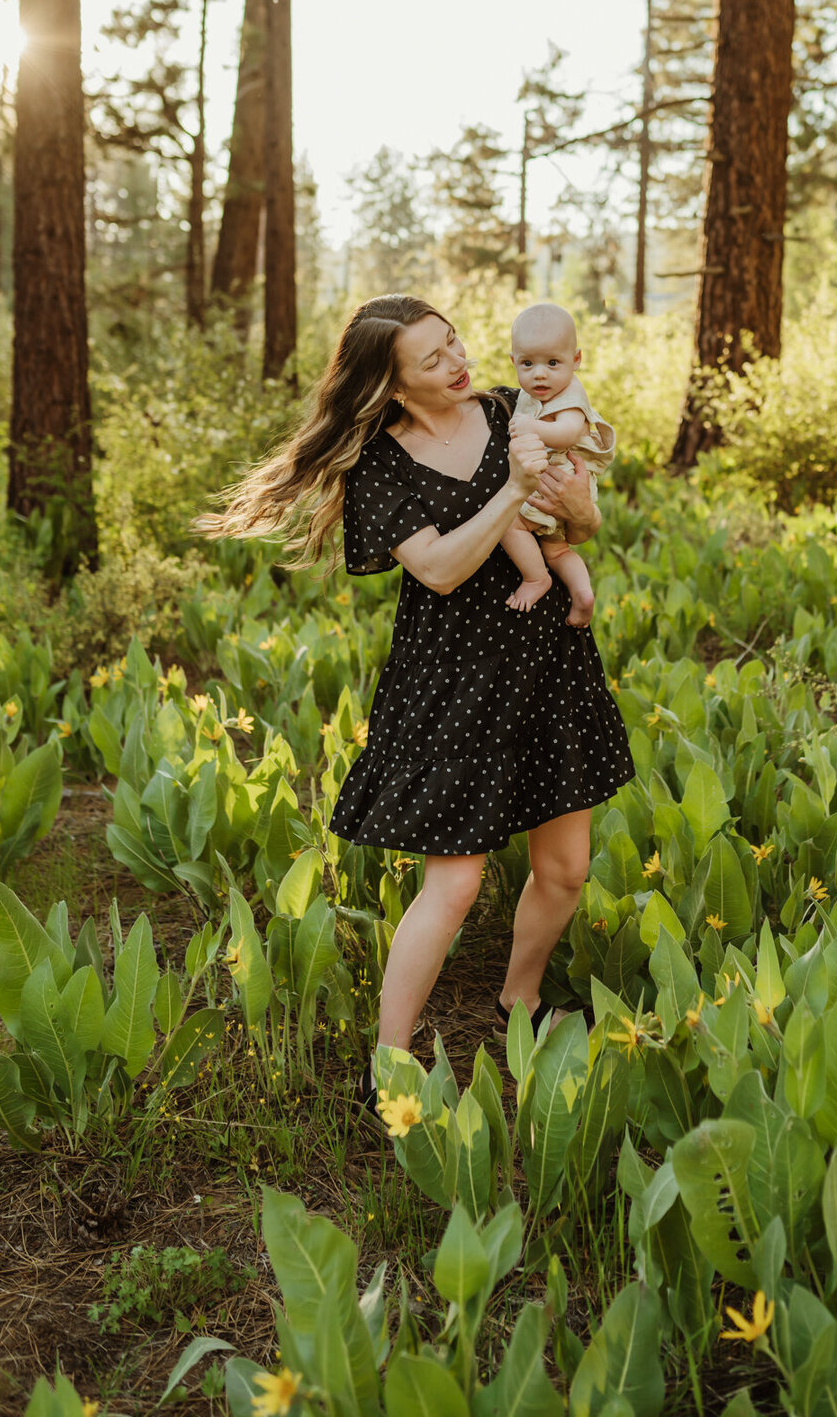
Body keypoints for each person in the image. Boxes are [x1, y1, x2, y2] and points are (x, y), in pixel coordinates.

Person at [195, 294, 634, 1123]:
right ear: (393, 387)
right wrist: (510, 492)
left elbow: (584, 517)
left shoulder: (515, 408)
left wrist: (570, 508)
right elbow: (436, 568)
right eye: (433, 360)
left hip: (546, 658)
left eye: (455, 341)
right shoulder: (383, 464)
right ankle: (387, 1063)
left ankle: (520, 1000)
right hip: (455, 674)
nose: (460, 363)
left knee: (565, 867)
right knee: (456, 883)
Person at [498, 302, 615, 628]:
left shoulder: (571, 394)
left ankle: (536, 578)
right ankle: (582, 594)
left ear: (576, 360)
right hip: (555, 485)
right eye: (527, 363)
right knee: (558, 551)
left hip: (559, 480)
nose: (539, 373)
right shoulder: (537, 393)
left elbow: (567, 433)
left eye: (552, 362)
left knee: (507, 525)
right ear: (513, 362)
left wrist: (532, 428)